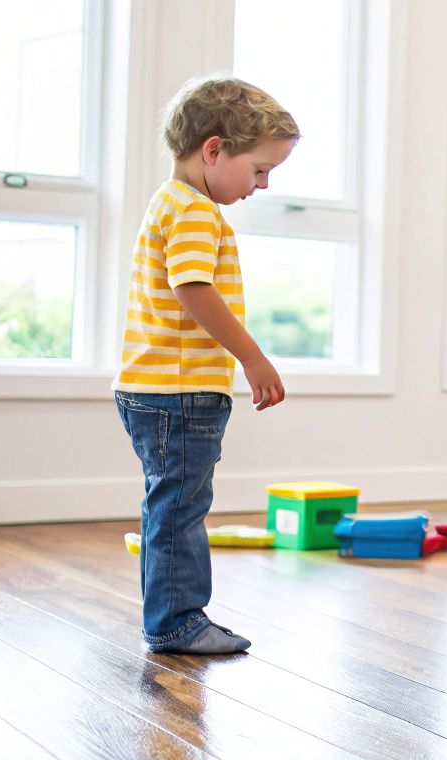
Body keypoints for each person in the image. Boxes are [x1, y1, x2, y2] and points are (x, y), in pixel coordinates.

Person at [113, 77, 297, 654]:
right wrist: (253, 358)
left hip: (156, 386)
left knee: (168, 503)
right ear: (213, 150)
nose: (262, 185)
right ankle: (176, 622)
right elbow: (193, 287)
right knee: (180, 508)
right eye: (259, 169)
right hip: (180, 390)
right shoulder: (194, 212)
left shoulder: (170, 202)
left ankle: (170, 616)